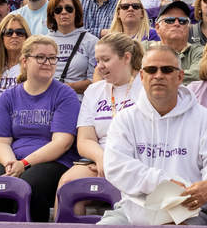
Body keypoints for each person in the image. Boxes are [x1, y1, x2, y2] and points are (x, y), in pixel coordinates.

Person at [97, 43, 207, 226]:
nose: (158, 76)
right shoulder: (125, 119)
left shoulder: (204, 118)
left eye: (167, 70)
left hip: (189, 211)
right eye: (151, 70)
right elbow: (116, 167)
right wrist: (165, 183)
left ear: (180, 77)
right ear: (142, 76)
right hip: (134, 210)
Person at [0, 34, 82, 221]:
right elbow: (0, 141)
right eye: (40, 57)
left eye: (52, 58)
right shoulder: (9, 97)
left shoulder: (65, 95)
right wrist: (10, 164)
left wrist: (23, 164)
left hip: (54, 161)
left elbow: (62, 143)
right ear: (24, 61)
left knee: (30, 186)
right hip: (15, 159)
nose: (47, 62)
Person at [61, 32, 149, 190]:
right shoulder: (94, 91)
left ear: (126, 58)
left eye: (106, 60)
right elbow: (84, 140)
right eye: (97, 61)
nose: (99, 66)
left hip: (137, 160)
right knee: (68, 184)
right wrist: (102, 158)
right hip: (100, 159)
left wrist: (116, 162)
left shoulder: (146, 88)